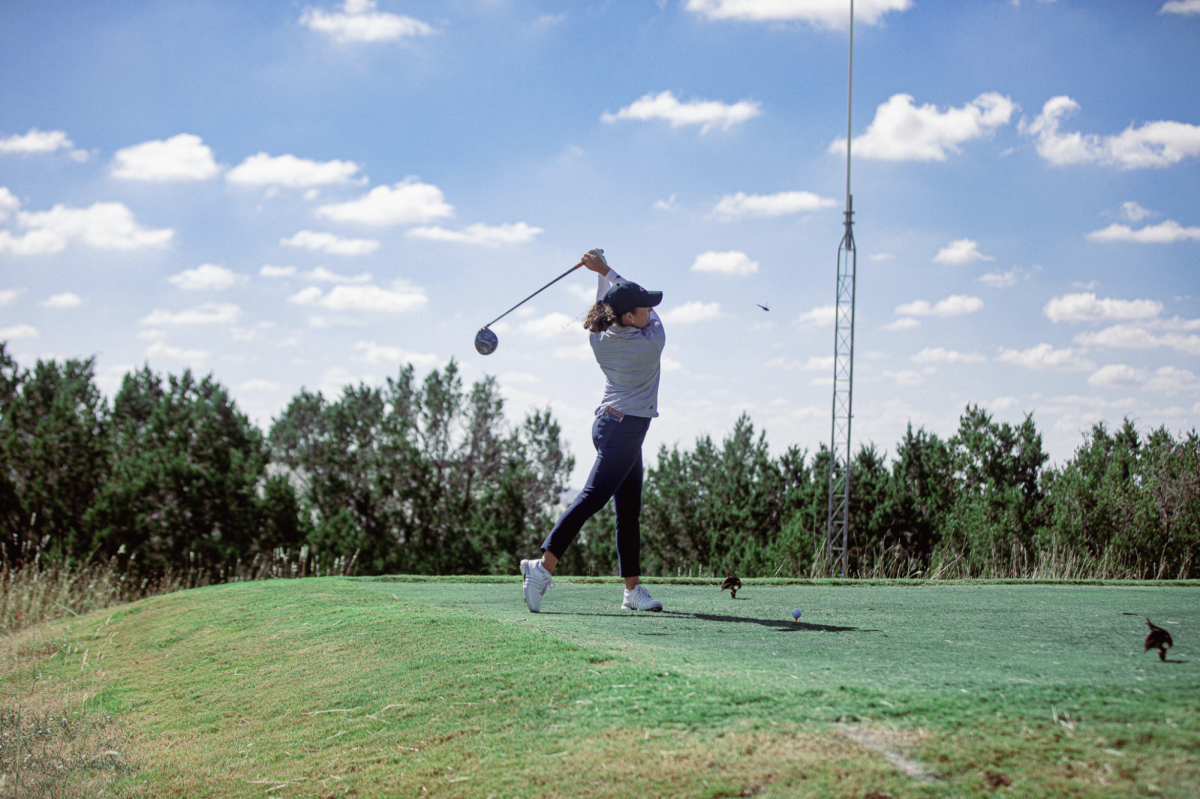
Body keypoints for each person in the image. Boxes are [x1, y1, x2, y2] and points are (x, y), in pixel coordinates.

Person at [520, 248, 666, 613]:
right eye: (644, 308)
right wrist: (606, 270)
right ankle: (541, 568)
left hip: (610, 425)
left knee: (628, 509)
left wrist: (598, 273)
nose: (650, 310)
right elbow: (614, 300)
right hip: (625, 431)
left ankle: (632, 590)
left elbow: (606, 304)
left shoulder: (599, 338)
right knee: (592, 499)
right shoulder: (652, 341)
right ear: (630, 317)